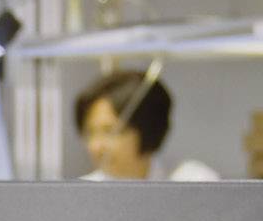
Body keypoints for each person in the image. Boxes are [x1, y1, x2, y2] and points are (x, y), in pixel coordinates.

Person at [74, 67, 218, 182]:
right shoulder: (79, 194)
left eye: (110, 131)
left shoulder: (194, 184)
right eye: (90, 133)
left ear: (147, 128)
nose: (95, 146)